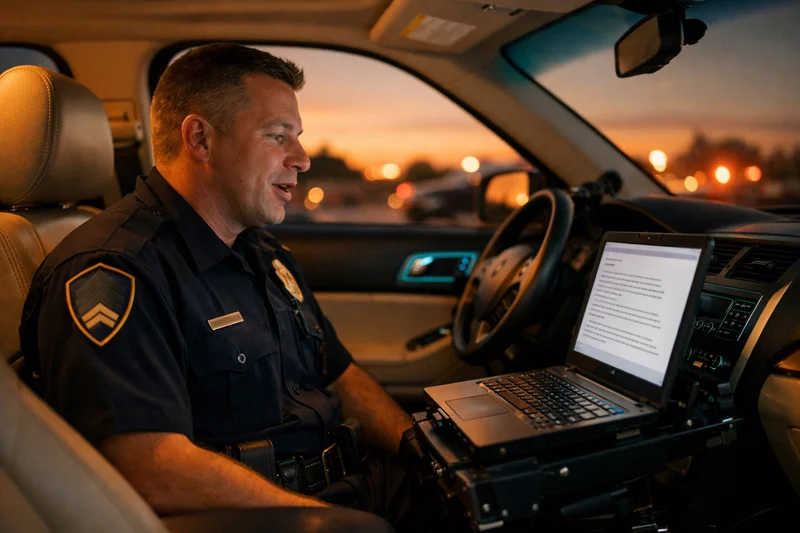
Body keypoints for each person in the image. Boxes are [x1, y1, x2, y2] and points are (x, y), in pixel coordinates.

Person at [20, 43, 452, 532]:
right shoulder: (113, 271)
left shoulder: (259, 249)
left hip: (354, 482)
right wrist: (327, 518)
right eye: (277, 136)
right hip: (268, 516)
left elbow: (336, 373)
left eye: (299, 137)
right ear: (200, 139)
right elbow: (147, 469)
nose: (303, 159)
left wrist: (422, 450)